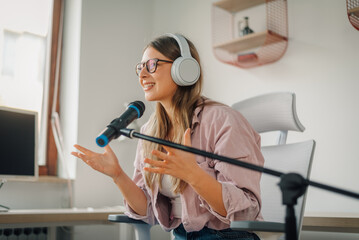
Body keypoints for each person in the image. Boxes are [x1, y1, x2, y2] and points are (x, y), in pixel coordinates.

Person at [72, 33, 264, 240]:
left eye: (152, 65)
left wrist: (193, 174)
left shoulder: (223, 120)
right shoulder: (149, 132)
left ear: (184, 69)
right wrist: (117, 175)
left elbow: (247, 209)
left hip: (228, 236)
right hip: (181, 234)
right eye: (140, 67)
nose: (142, 75)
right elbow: (147, 208)